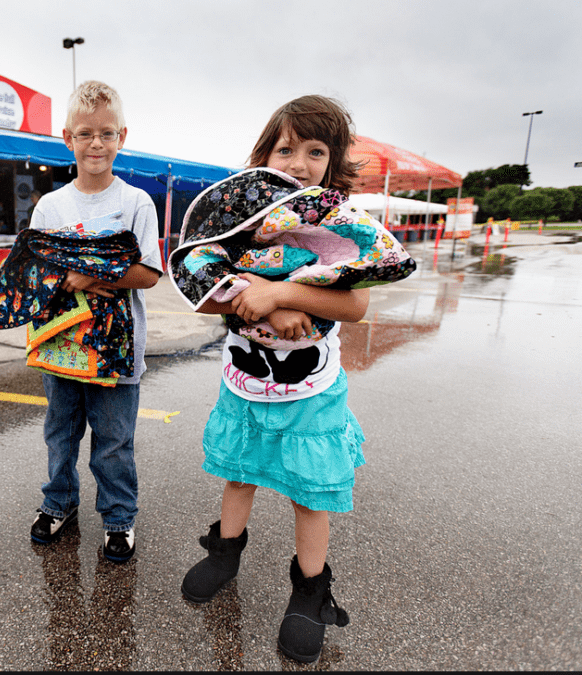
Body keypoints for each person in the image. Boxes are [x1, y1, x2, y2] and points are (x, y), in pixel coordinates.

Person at [177, 95, 396, 664]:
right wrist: (265, 308)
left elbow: (357, 305)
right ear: (264, 154)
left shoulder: (344, 226)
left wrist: (282, 291)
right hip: (245, 383)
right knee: (238, 472)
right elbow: (200, 294)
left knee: (308, 493)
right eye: (286, 148)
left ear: (334, 162)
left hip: (312, 393)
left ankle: (309, 590)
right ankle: (225, 554)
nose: (299, 162)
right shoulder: (239, 223)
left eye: (315, 150)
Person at [27, 80, 162, 563]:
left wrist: (88, 272)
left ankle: (119, 518)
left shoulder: (136, 203)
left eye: (106, 133)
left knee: (113, 441)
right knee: (60, 433)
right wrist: (76, 278)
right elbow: (36, 269)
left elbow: (148, 272)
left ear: (122, 136)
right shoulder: (51, 206)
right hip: (62, 342)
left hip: (118, 350)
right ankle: (58, 502)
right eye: (85, 134)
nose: (96, 144)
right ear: (68, 138)